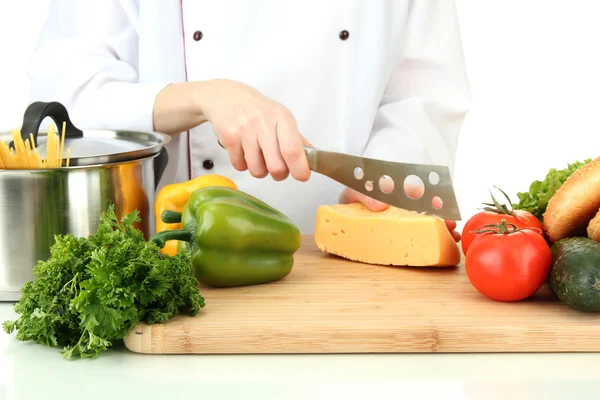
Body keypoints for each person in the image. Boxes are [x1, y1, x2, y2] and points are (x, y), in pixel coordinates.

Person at [27, 1, 471, 237]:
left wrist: (388, 174)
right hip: (178, 261)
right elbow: (66, 99)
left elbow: (423, 96)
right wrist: (202, 96)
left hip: (354, 272)